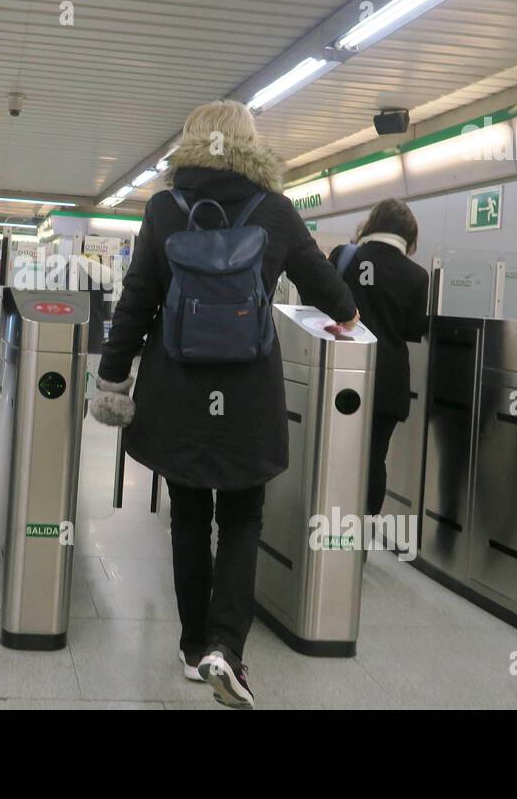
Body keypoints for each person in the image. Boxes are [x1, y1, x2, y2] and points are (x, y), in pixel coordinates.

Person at [89, 101, 358, 709]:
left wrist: (112, 378)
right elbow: (327, 287)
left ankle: (191, 649)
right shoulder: (275, 211)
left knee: (188, 516)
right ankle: (226, 648)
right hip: (247, 391)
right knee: (242, 517)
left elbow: (136, 302)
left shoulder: (164, 209)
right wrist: (346, 313)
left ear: (190, 143)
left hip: (177, 390)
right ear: (250, 144)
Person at [328, 199, 430, 519]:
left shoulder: (343, 257)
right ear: (409, 235)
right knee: (373, 458)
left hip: (341, 372)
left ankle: (328, 533)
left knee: (334, 453)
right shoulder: (417, 276)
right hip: (388, 381)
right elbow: (414, 330)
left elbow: (318, 305)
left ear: (372, 223)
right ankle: (359, 543)